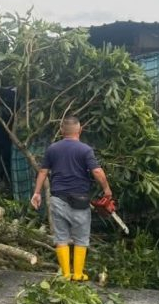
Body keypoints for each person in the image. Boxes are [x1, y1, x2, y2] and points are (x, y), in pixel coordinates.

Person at [31, 116, 113, 281]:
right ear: (80, 130)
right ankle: (78, 274)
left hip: (58, 198)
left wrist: (37, 193)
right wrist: (106, 189)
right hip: (80, 200)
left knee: (61, 237)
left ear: (62, 131)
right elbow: (97, 172)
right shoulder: (85, 150)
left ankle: (66, 274)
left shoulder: (52, 149)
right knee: (81, 238)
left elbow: (43, 172)